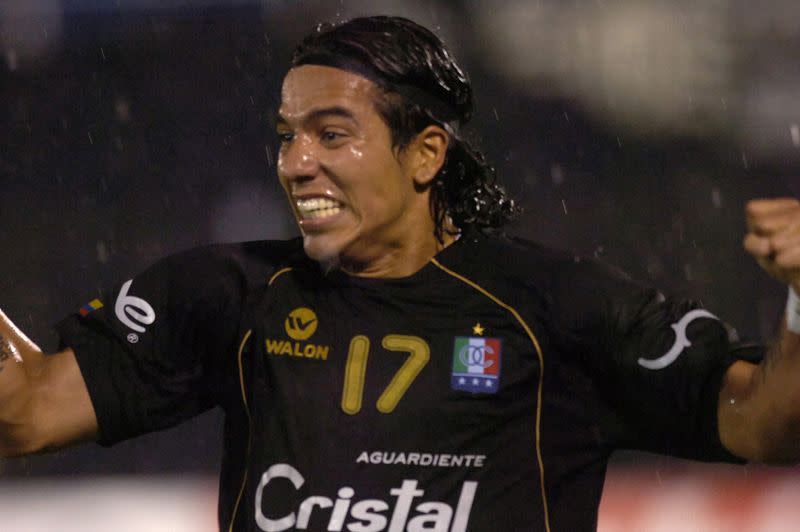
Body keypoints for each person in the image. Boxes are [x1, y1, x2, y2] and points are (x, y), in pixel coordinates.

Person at [1, 15, 800, 532]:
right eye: (286, 136)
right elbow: (25, 412)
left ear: (425, 154)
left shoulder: (557, 309)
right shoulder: (229, 297)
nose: (295, 163)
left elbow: (766, 423)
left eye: (331, 134)